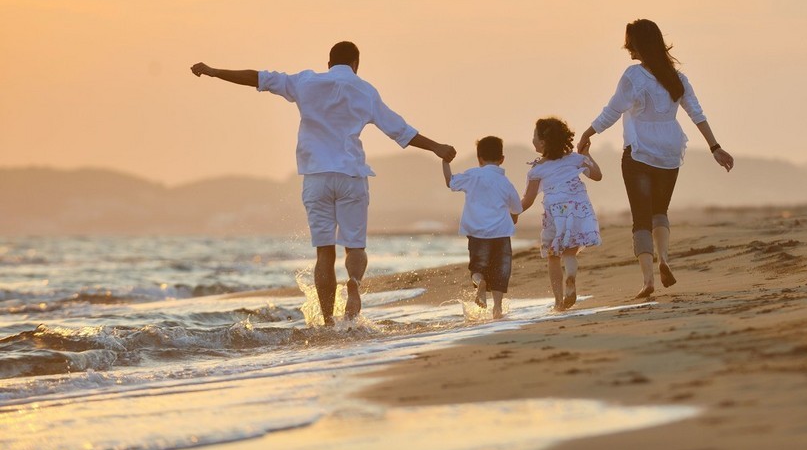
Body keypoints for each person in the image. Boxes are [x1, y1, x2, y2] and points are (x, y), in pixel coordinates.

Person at [191, 41, 456, 326]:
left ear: (328, 63)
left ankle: (328, 320)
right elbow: (400, 130)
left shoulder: (306, 82)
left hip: (316, 178)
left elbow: (258, 78)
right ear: (356, 64)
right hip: (351, 176)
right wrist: (436, 147)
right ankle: (353, 283)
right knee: (354, 247)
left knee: (324, 252)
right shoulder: (365, 90)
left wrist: (215, 71)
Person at [577, 19, 734, 299]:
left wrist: (588, 133)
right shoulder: (677, 78)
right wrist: (715, 147)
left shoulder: (633, 77)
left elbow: (612, 111)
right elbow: (697, 114)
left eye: (630, 44)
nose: (627, 50)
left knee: (640, 218)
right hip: (670, 153)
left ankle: (648, 280)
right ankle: (664, 259)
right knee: (659, 212)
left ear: (638, 45)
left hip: (639, 152)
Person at [520, 117, 602, 310]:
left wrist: (512, 213)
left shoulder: (538, 169)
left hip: (556, 211)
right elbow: (597, 176)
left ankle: (558, 301)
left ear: (542, 142)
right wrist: (587, 155)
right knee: (570, 252)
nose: (532, 139)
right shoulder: (575, 159)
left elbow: (528, 200)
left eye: (534, 135)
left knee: (553, 255)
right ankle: (571, 279)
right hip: (578, 208)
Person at [442, 136, 523, 320]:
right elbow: (516, 208)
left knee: (477, 268)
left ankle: (480, 284)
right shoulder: (505, 182)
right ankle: (497, 309)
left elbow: (450, 182)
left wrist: (445, 162)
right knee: (501, 271)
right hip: (501, 233)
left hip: (477, 233)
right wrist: (514, 218)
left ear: (479, 159)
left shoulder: (472, 175)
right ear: (502, 159)